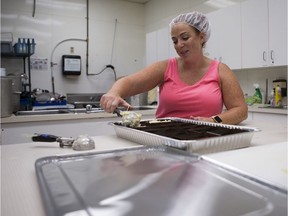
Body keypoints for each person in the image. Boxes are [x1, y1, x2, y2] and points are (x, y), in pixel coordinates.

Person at [100, 11, 248, 125]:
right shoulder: (165, 68)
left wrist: (214, 120)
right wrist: (114, 92)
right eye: (174, 40)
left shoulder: (220, 70)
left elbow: (240, 110)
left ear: (201, 37)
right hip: (165, 139)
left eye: (185, 38)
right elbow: (130, 82)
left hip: (206, 139)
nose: (179, 45)